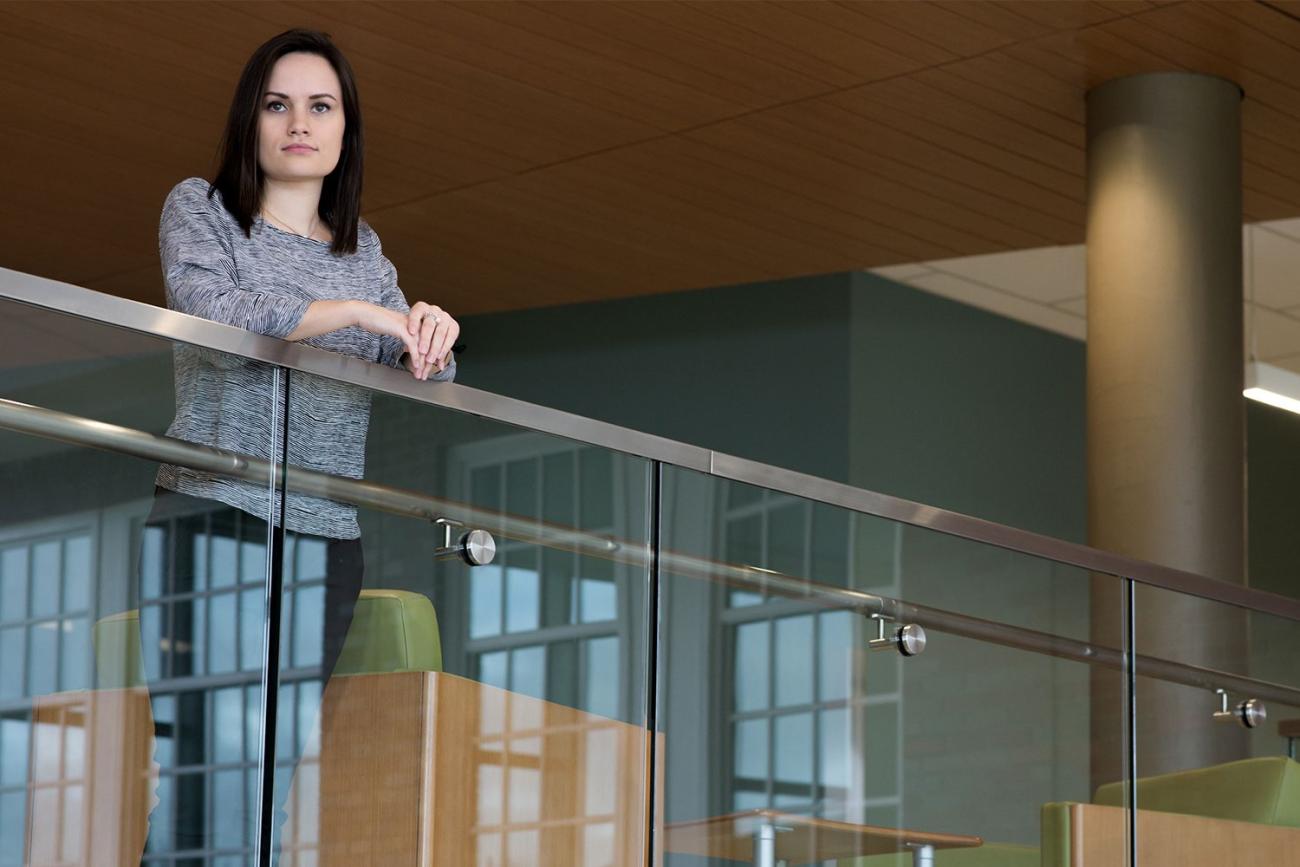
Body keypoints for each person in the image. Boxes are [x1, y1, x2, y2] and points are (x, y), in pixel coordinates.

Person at [142, 27, 456, 858]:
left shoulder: (365, 252)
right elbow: (215, 314)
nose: (298, 123)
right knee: (206, 761)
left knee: (280, 766)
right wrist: (356, 313)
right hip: (212, 512)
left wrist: (431, 327)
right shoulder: (203, 209)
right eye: (278, 105)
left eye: (321, 107)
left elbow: (431, 365)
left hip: (325, 534)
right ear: (252, 119)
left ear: (344, 130)